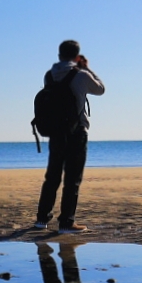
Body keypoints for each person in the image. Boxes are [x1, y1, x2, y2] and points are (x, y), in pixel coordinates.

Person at [33, 39, 105, 233]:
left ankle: (41, 219)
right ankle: (67, 222)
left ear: (59, 56)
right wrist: (87, 68)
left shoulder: (49, 75)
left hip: (56, 131)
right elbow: (100, 89)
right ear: (77, 56)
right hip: (77, 130)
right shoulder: (81, 75)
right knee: (72, 178)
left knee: (52, 176)